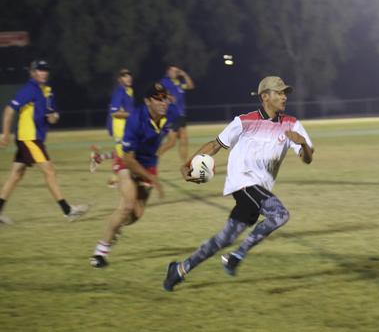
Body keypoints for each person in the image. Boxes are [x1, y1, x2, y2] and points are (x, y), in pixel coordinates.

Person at [163, 76, 314, 292]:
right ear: (265, 97)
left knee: (225, 238)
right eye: (279, 93)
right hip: (243, 183)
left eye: (284, 93)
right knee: (280, 214)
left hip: (259, 190)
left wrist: (303, 145)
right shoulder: (244, 121)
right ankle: (237, 256)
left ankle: (179, 270)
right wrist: (189, 164)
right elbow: (216, 145)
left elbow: (307, 158)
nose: (283, 97)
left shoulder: (292, 125)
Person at [90, 83, 176, 268]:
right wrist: (153, 179)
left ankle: (117, 225)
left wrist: (160, 153)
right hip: (127, 162)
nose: (163, 102)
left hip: (148, 164)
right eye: (158, 99)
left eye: (165, 98)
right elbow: (128, 160)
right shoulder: (136, 121)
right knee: (127, 206)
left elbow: (172, 137)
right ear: (147, 101)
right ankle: (100, 252)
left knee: (137, 214)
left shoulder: (168, 116)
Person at [0, 60, 88, 224]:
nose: (43, 73)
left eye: (45, 70)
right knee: (49, 171)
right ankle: (68, 211)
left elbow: (53, 116)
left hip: (33, 138)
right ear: (32, 72)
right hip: (29, 138)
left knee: (16, 175)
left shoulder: (47, 91)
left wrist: (54, 117)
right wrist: (5, 134)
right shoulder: (29, 89)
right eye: (40, 70)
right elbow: (9, 110)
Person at [89, 69, 136, 189]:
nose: (128, 78)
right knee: (124, 155)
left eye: (129, 76)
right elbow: (114, 112)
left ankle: (97, 158)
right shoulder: (119, 92)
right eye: (124, 76)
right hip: (120, 128)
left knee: (126, 152)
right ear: (119, 79)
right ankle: (113, 180)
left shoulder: (129, 91)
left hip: (127, 127)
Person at [157, 65, 195, 162]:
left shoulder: (179, 83)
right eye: (173, 71)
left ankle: (185, 164)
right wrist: (167, 96)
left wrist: (185, 75)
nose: (175, 73)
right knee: (171, 142)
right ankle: (153, 157)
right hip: (172, 115)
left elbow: (191, 86)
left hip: (181, 115)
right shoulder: (164, 82)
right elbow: (158, 92)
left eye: (176, 71)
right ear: (168, 72)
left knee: (184, 140)